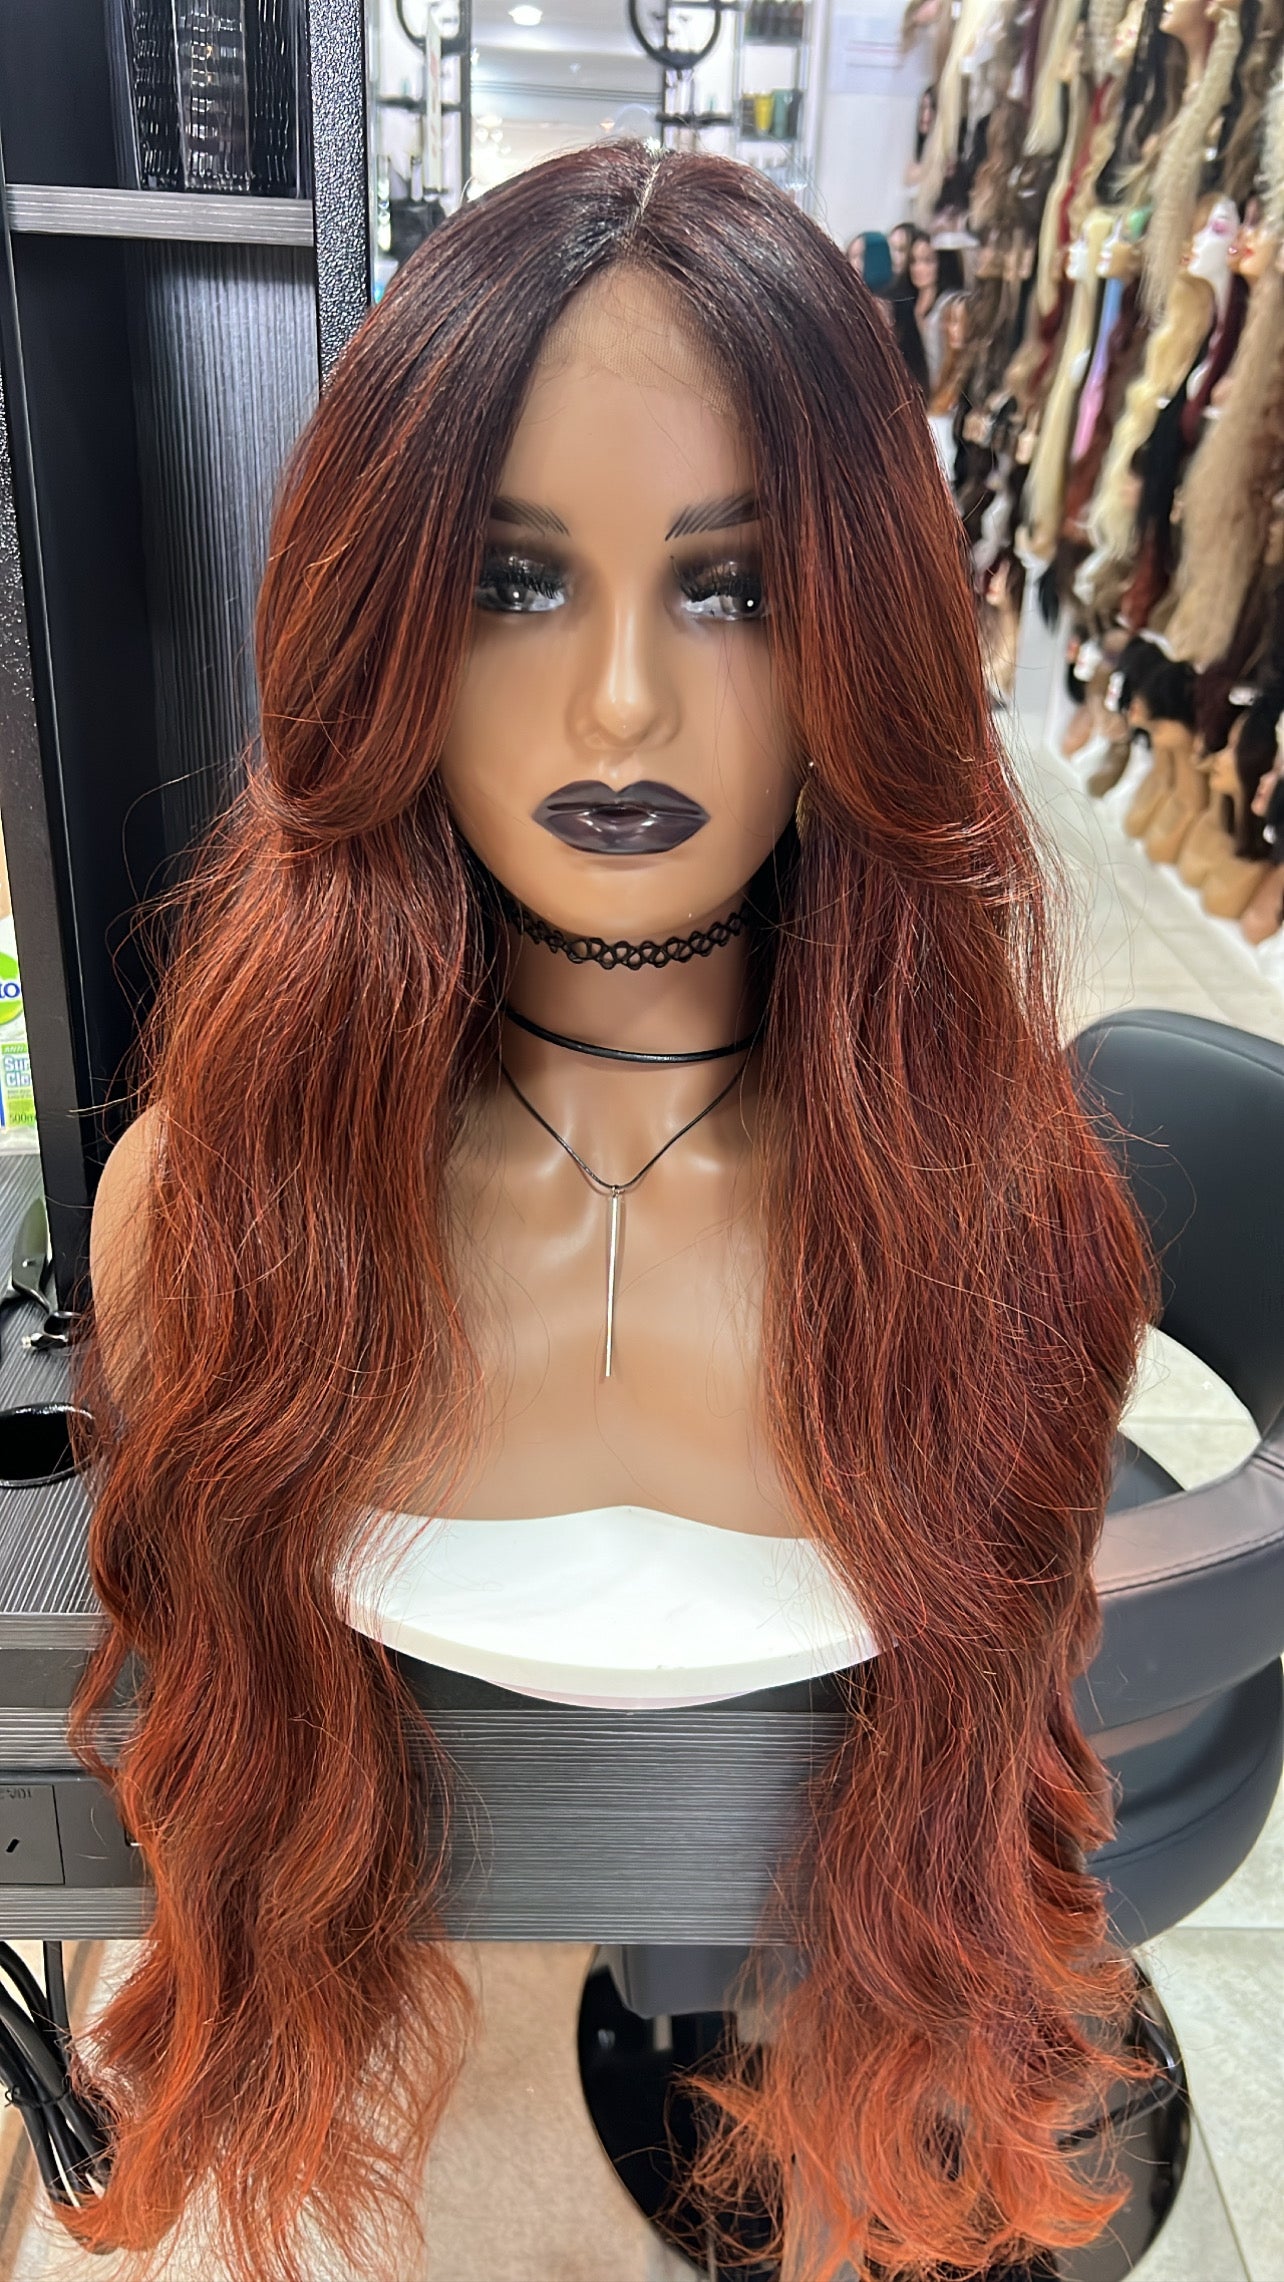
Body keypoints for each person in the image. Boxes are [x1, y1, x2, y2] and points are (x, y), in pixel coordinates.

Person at [77, 142, 1156, 2282]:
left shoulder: (998, 1232)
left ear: (857, 639)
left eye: (729, 586)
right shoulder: (211, 1217)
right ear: (389, 625)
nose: (624, 701)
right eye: (517, 580)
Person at [910, 228, 967, 386]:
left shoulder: (953, 302)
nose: (918, 268)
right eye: (913, 261)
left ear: (943, 262)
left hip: (948, 387)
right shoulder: (913, 302)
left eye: (928, 261)